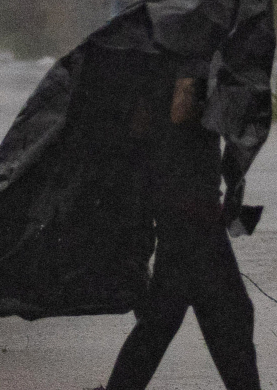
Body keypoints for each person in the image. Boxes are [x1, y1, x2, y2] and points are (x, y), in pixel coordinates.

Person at [0, 0, 277, 390]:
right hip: (187, 206)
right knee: (228, 315)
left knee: (168, 318)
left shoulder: (171, 48)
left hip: (183, 202)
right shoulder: (180, 54)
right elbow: (181, 118)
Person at [105, 75, 260, 390]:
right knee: (228, 317)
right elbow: (180, 109)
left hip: (184, 225)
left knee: (160, 325)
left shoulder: (175, 63)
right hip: (192, 227)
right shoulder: (184, 69)